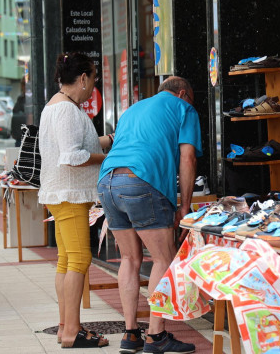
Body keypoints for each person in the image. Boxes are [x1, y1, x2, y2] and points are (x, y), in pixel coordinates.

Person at [97, 76, 202, 354]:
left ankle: (131, 335)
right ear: (183, 93)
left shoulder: (133, 109)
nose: (192, 103)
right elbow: (188, 158)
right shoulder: (184, 108)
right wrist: (185, 205)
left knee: (130, 258)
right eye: (191, 98)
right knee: (163, 258)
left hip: (107, 182)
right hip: (141, 181)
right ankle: (156, 336)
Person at [38, 53, 111, 349]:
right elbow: (72, 156)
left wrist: (110, 140)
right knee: (79, 259)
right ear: (82, 78)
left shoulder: (56, 106)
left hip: (62, 193)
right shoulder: (67, 110)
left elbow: (77, 147)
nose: (93, 85)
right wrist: (108, 159)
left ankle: (65, 328)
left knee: (67, 260)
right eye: (93, 78)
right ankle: (72, 331)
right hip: (68, 194)